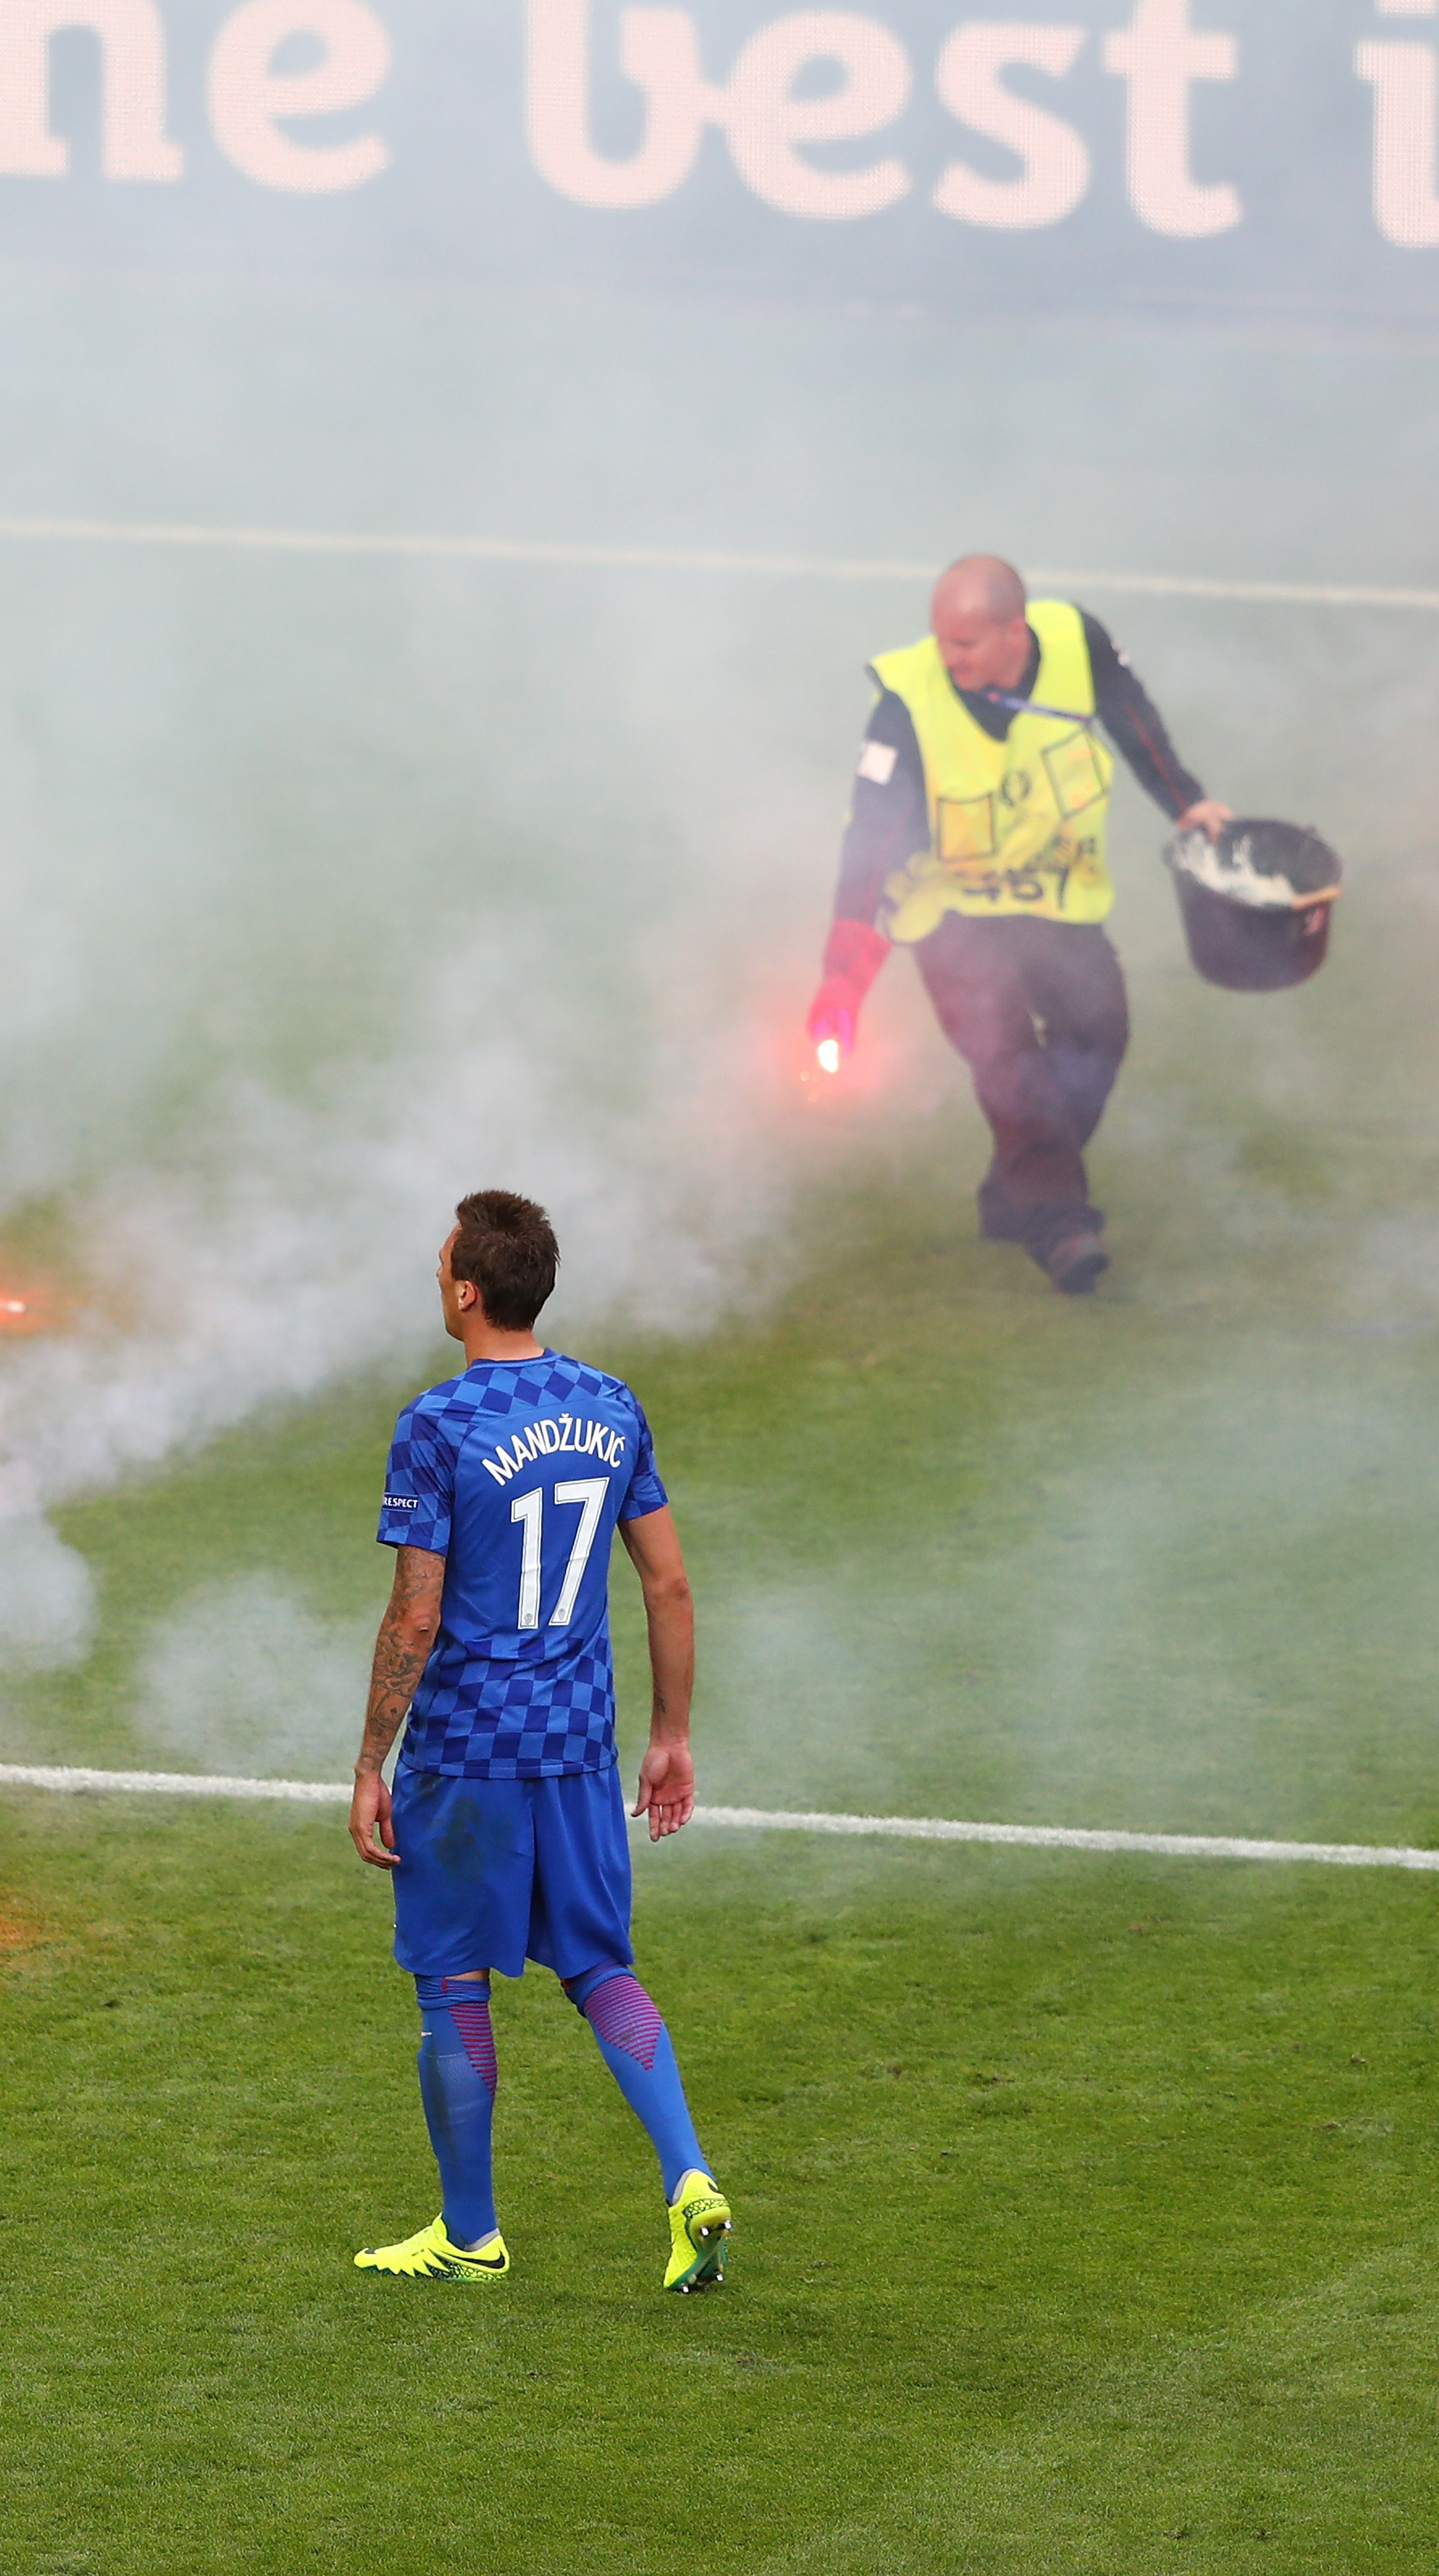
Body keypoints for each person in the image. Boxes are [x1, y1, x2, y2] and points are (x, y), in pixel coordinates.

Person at [348, 1189, 728, 2294]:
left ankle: (471, 2235)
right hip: (575, 1748)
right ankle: (690, 2180)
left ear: (468, 1290)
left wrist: (372, 1761)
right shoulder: (610, 1405)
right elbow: (669, 1582)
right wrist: (670, 1736)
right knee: (602, 1969)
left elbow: (416, 1614)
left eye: (440, 1263)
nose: (434, 1274)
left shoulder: (438, 1424)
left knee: (453, 1987)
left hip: (465, 1757)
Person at [801, 555, 1234, 1294]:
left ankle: (1014, 1194)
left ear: (1015, 633)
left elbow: (1129, 710)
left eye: (965, 645)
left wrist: (1185, 800)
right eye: (940, 641)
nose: (948, 658)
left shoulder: (1076, 642)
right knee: (1008, 1063)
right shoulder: (906, 706)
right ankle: (1060, 1224)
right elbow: (870, 845)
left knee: (1098, 1039)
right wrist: (842, 987)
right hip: (949, 916)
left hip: (1055, 901)